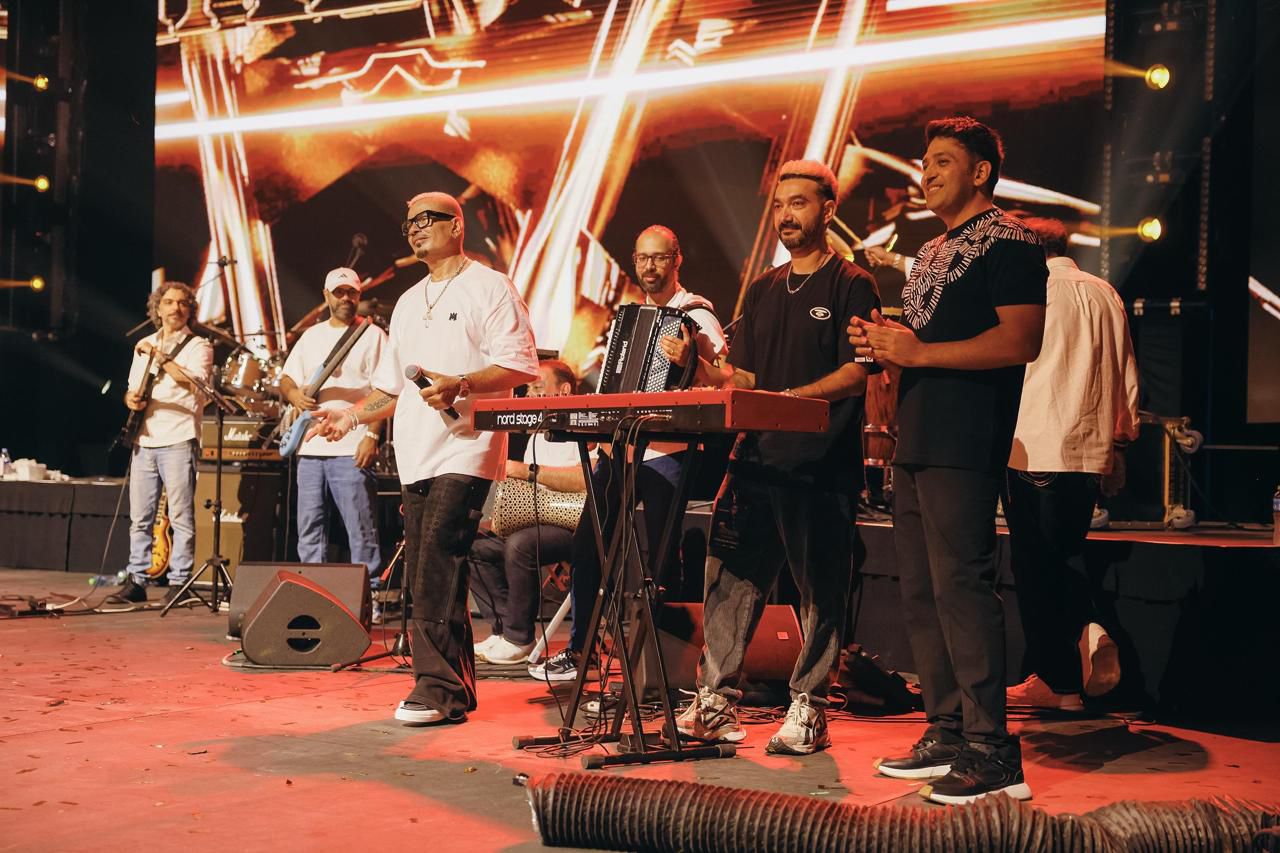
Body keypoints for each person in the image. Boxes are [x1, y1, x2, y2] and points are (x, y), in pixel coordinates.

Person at [849, 116, 1047, 804]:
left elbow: (1021, 340)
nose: (926, 173)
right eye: (924, 162)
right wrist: (887, 342)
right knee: (921, 590)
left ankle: (992, 750)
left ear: (980, 171)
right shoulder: (931, 249)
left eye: (941, 161)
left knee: (961, 586)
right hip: (917, 437)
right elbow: (925, 341)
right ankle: (947, 729)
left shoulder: (1012, 241)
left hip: (965, 441)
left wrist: (919, 351)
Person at [674, 160, 880, 756]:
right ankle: (715, 701)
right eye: (780, 205)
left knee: (819, 588)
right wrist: (700, 366)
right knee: (730, 577)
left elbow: (857, 371)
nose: (786, 215)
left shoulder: (852, 283)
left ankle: (810, 706)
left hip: (819, 462)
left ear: (828, 209)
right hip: (756, 458)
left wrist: (790, 401)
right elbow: (743, 376)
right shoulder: (764, 288)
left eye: (799, 203)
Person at [310, 191, 538, 726]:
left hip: (466, 445)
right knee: (428, 567)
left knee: (438, 557)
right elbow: (391, 389)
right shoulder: (410, 301)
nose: (414, 229)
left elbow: (520, 364)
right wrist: (352, 417)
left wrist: (462, 383)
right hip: (415, 453)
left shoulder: (491, 286)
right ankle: (454, 688)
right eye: (408, 223)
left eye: (426, 219)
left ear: (456, 225)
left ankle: (436, 690)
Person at [528, 225, 728, 683]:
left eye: (659, 258)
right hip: (622, 448)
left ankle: (661, 665)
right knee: (588, 544)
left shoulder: (698, 315)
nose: (650, 267)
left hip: (670, 451)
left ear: (676, 260)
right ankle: (581, 650)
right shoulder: (631, 317)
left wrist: (692, 363)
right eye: (642, 258)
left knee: (661, 557)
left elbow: (725, 379)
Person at [1003, 217, 1139, 710]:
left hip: (1035, 445)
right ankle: (1068, 672)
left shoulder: (1030, 293)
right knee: (1060, 555)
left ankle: (1060, 675)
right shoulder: (1105, 292)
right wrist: (1120, 443)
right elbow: (1125, 371)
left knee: (1036, 567)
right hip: (1088, 450)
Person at [470, 359, 586, 665]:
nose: (530, 395)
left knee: (520, 544)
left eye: (538, 387)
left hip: (576, 524)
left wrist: (527, 470)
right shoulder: (538, 434)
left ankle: (519, 637)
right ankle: (502, 629)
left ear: (564, 390)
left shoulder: (584, 429)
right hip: (537, 518)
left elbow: (583, 480)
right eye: (529, 389)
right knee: (475, 544)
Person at [279, 268, 387, 594]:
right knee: (309, 527)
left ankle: (371, 595)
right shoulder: (311, 336)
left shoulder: (372, 336)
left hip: (351, 444)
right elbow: (287, 378)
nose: (345, 298)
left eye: (351, 292)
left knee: (360, 527)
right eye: (338, 292)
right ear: (326, 296)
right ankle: (313, 592)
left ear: (359, 295)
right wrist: (294, 395)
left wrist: (372, 436)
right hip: (311, 446)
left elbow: (385, 391)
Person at [107, 282, 215, 608]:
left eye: (182, 303)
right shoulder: (145, 344)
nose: (175, 308)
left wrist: (161, 357)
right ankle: (137, 580)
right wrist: (132, 399)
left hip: (179, 438)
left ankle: (180, 581)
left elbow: (193, 382)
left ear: (190, 310)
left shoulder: (199, 345)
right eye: (168, 302)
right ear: (158, 308)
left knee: (180, 515)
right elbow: (131, 390)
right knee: (140, 517)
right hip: (145, 439)